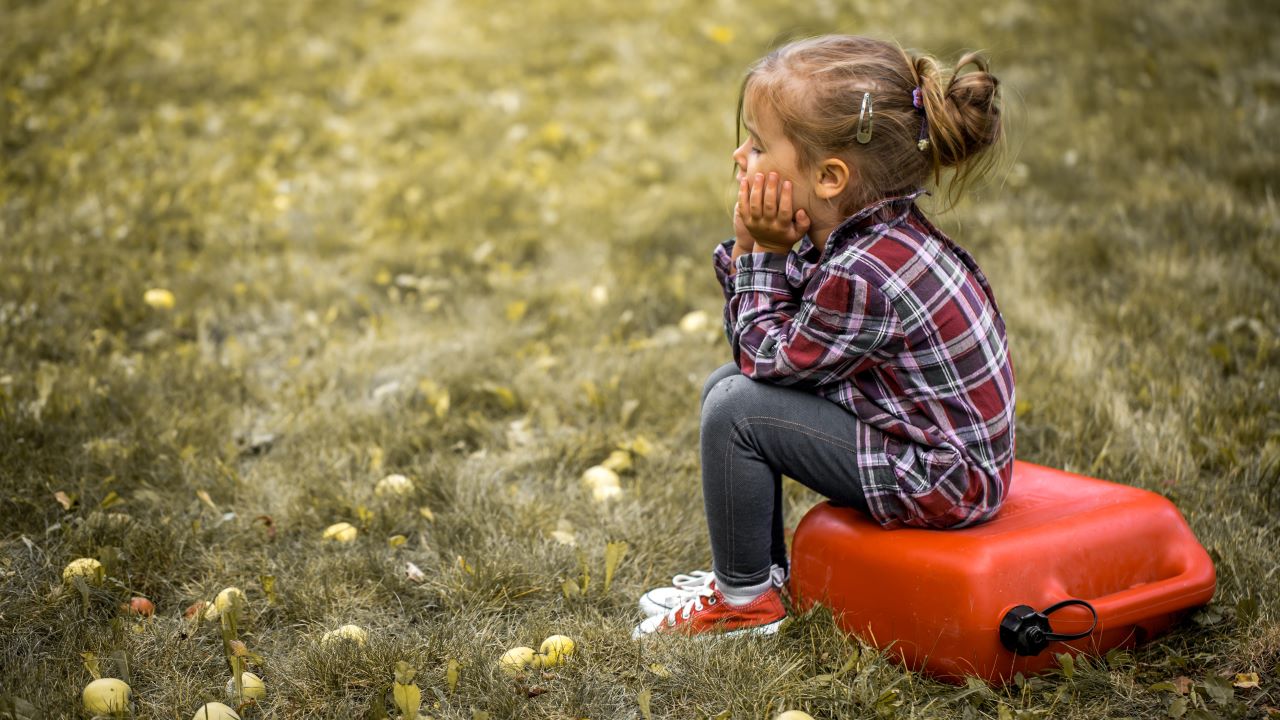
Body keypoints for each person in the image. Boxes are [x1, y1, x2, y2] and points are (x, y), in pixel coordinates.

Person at [633, 35, 1016, 638]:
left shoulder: (861, 273)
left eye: (758, 146)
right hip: (934, 450)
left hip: (943, 478)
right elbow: (766, 354)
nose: (740, 155)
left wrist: (757, 253)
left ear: (830, 177)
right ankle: (759, 577)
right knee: (725, 388)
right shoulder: (867, 237)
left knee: (735, 409)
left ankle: (745, 605)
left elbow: (766, 359)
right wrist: (758, 250)